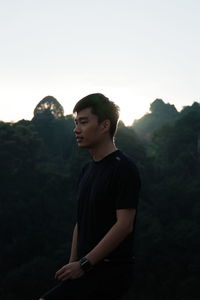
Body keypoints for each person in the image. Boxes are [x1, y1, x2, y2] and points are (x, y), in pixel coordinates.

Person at [39, 93, 141, 300]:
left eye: (83, 122)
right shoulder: (87, 170)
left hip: (109, 272)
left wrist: (85, 263)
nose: (76, 129)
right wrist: (73, 262)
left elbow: (124, 225)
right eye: (76, 123)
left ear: (105, 125)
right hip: (85, 269)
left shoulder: (124, 168)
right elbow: (81, 220)